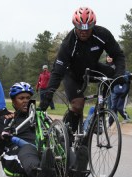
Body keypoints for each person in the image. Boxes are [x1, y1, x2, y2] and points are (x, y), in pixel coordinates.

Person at [39, 7, 125, 136]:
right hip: (72, 73)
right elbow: (58, 71)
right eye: (80, 28)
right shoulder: (68, 43)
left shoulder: (102, 34)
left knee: (113, 76)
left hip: (92, 68)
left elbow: (118, 55)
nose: (83, 31)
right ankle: (67, 135)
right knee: (78, 105)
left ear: (93, 25)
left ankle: (99, 114)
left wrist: (119, 74)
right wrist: (49, 93)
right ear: (75, 25)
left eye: (87, 28)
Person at [0, 82, 89, 177]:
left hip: (44, 151)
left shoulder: (41, 117)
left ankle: (76, 172)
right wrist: (2, 137)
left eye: (28, 98)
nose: (25, 101)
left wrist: (64, 135)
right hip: (18, 151)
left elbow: (55, 132)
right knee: (27, 148)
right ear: (13, 101)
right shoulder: (5, 120)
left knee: (62, 146)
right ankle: (41, 172)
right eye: (21, 98)